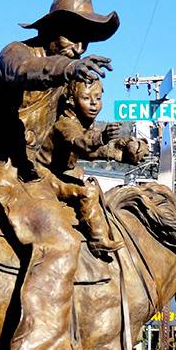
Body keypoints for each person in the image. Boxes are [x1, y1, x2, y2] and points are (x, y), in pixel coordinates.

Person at [0, 0, 120, 350]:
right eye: (72, 33)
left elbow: (63, 132)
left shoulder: (63, 77)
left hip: (37, 175)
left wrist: (110, 145)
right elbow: (25, 72)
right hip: (4, 171)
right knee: (60, 243)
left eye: (85, 37)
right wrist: (67, 69)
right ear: (50, 28)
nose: (78, 45)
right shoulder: (16, 53)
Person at [36, 76, 148, 255]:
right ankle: (98, 240)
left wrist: (123, 151)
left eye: (97, 98)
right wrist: (102, 137)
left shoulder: (83, 122)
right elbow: (81, 143)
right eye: (86, 98)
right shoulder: (65, 123)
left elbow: (95, 151)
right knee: (89, 192)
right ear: (72, 101)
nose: (94, 104)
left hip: (62, 173)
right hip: (42, 175)